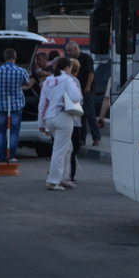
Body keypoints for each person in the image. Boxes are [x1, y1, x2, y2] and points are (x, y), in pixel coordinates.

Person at [38, 56, 82, 191]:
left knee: (67, 148)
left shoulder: (48, 81)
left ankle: (64, 178)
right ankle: (53, 181)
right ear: (68, 68)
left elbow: (42, 103)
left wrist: (41, 123)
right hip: (63, 117)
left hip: (49, 118)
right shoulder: (67, 80)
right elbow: (77, 97)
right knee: (60, 150)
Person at [0, 47, 35, 164]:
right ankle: (11, 156)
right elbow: (26, 83)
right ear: (15, 57)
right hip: (16, 104)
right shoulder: (21, 71)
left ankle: (1, 156)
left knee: (1, 131)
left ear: (4, 58)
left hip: (2, 104)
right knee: (14, 131)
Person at [66, 41, 101, 147]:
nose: (68, 53)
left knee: (90, 114)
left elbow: (91, 73)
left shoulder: (86, 58)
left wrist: (88, 86)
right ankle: (82, 138)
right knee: (81, 115)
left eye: (70, 50)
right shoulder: (72, 61)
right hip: (77, 90)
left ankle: (96, 137)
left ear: (76, 49)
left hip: (86, 91)